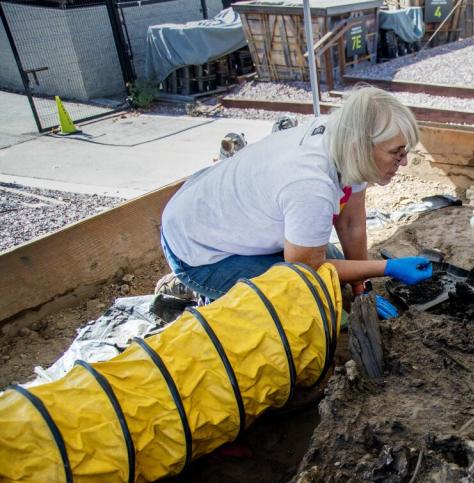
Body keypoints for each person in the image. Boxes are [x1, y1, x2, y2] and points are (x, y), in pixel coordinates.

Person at [157, 87, 431, 318]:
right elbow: (306, 269)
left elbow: (350, 224)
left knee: (336, 270)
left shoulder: (346, 142)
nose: (404, 162)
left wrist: (362, 287)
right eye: (396, 152)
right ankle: (200, 292)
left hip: (229, 222)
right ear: (361, 145)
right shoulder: (310, 184)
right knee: (309, 297)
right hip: (199, 252)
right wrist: (387, 268)